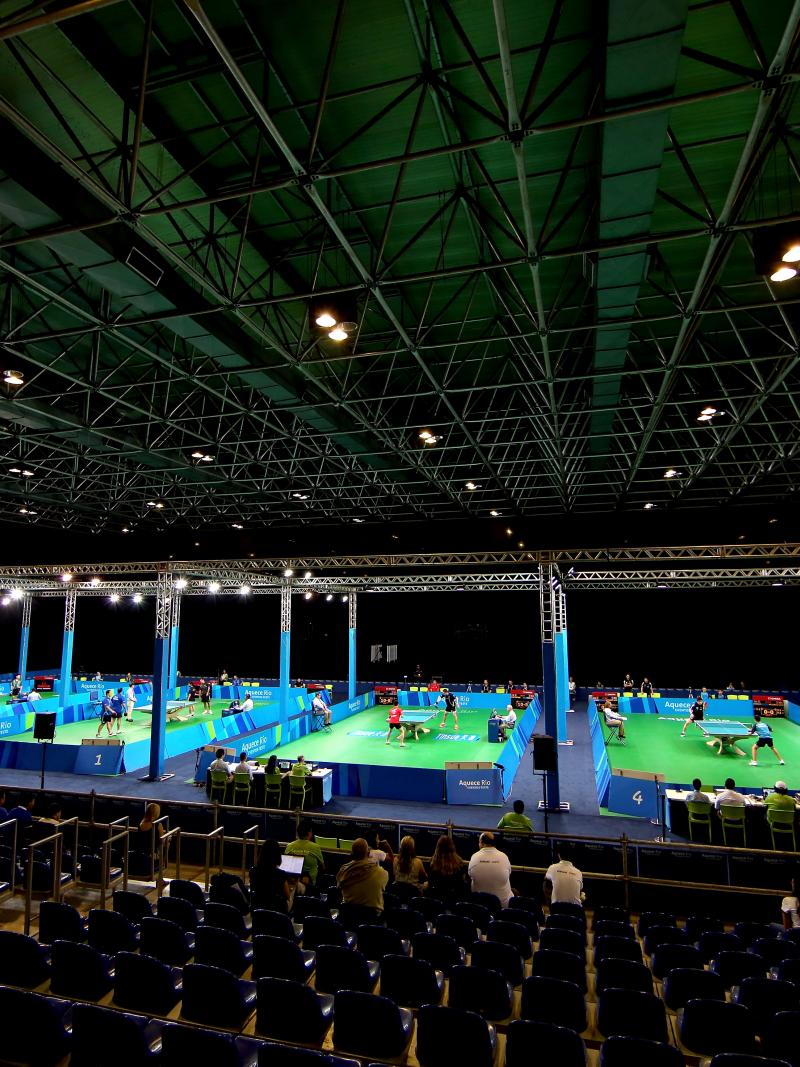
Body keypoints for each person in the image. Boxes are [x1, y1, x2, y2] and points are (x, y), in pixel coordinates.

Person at [336, 838, 388, 919]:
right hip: (371, 920)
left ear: (352, 853)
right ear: (367, 853)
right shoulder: (382, 873)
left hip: (348, 918)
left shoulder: (343, 871)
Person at [468, 832, 513, 907]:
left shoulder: (474, 857)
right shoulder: (504, 856)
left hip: (479, 904)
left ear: (481, 843)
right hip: (502, 905)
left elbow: (470, 875)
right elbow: (509, 873)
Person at [252, 839, 291, 912]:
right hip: (278, 912)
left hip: (258, 910)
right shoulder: (281, 874)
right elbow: (288, 897)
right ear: (277, 855)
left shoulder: (253, 871)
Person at [428, 835, 470, 902]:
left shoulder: (432, 864)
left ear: (438, 847)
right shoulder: (459, 863)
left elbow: (431, 883)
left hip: (437, 900)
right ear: (452, 847)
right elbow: (461, 885)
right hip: (454, 900)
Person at [285, 819, 325, 887]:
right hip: (310, 885)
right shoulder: (315, 847)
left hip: (291, 883)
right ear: (309, 833)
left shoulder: (289, 846)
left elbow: (285, 866)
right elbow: (323, 867)